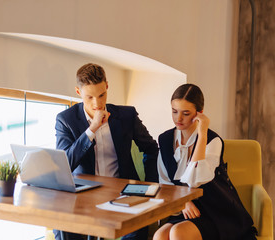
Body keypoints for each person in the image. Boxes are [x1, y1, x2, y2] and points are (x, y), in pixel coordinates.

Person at [54, 63, 159, 240]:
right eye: (90, 97)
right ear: (78, 93)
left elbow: (151, 149)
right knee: (63, 229)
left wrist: (148, 187)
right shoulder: (65, 120)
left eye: (102, 95)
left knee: (136, 230)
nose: (97, 103)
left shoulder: (127, 115)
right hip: (84, 196)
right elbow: (65, 163)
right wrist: (92, 129)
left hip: (124, 195)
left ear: (107, 86)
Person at [153, 84, 257, 240]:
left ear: (199, 113)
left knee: (178, 233)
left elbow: (195, 180)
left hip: (214, 210)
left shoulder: (213, 141)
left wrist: (202, 134)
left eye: (186, 113)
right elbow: (165, 184)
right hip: (184, 209)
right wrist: (183, 203)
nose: (178, 118)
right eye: (174, 111)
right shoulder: (165, 139)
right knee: (159, 236)